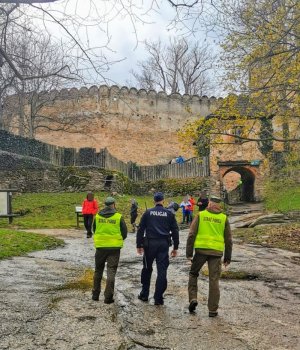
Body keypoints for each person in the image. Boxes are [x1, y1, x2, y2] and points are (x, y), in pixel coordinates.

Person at [186, 195, 232, 317]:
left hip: (201, 251)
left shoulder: (201, 215)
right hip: (216, 253)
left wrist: (189, 254)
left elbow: (191, 234)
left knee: (193, 273)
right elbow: (228, 239)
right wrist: (227, 258)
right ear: (219, 205)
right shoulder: (223, 218)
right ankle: (212, 310)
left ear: (209, 204)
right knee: (214, 280)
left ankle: (193, 298)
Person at [136, 192, 179, 305]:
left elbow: (140, 229)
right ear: (163, 201)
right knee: (162, 270)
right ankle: (158, 298)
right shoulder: (169, 214)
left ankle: (144, 294)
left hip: (150, 244)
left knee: (146, 268)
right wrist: (175, 247)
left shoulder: (148, 213)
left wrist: (139, 245)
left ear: (154, 201)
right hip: (163, 244)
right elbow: (175, 231)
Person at [92, 197, 127, 304]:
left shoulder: (97, 216)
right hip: (114, 249)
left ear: (105, 204)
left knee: (98, 270)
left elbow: (94, 230)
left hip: (100, 248)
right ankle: (108, 297)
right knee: (111, 271)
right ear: (113, 204)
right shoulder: (118, 217)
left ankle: (95, 295)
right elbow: (124, 233)